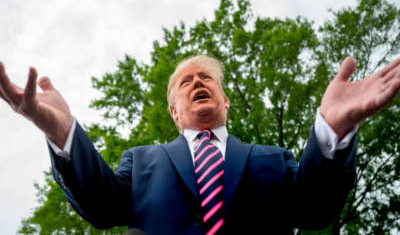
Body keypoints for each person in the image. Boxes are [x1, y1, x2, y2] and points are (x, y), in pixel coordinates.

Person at [0, 55, 399, 234]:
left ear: (225, 100)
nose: (197, 83)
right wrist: (62, 132)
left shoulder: (274, 161)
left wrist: (331, 130)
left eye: (206, 79)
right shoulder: (140, 163)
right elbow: (101, 207)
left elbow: (315, 210)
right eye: (186, 83)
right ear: (174, 112)